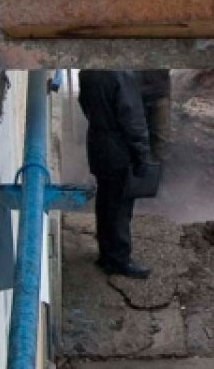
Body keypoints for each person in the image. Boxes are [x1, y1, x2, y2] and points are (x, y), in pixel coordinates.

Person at [77, 70, 152, 279]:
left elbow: (84, 104)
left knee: (106, 202)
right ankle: (119, 260)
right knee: (120, 206)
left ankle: (107, 253)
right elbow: (132, 120)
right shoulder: (121, 76)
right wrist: (142, 156)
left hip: (98, 144)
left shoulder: (88, 72)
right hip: (119, 150)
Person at [138, 70, 172, 161]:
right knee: (139, 133)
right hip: (138, 94)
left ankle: (159, 168)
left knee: (161, 135)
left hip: (159, 93)